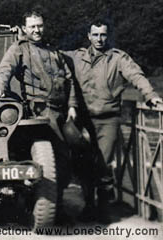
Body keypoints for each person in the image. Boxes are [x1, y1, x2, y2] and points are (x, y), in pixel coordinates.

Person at [62, 19, 162, 223]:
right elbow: (52, 55)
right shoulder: (76, 57)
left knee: (103, 163)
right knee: (83, 164)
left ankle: (103, 209)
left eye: (103, 35)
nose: (99, 39)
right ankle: (89, 206)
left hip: (108, 120)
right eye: (95, 35)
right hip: (82, 121)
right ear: (89, 36)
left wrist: (150, 94)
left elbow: (136, 75)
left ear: (107, 36)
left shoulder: (118, 58)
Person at [0, 9, 77, 223]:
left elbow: (69, 80)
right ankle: (47, 211)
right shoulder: (20, 49)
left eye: (39, 26)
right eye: (32, 26)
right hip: (40, 112)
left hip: (60, 112)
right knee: (51, 163)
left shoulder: (53, 51)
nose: (37, 30)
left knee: (65, 162)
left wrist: (73, 106)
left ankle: (54, 207)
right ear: (25, 28)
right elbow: (5, 69)